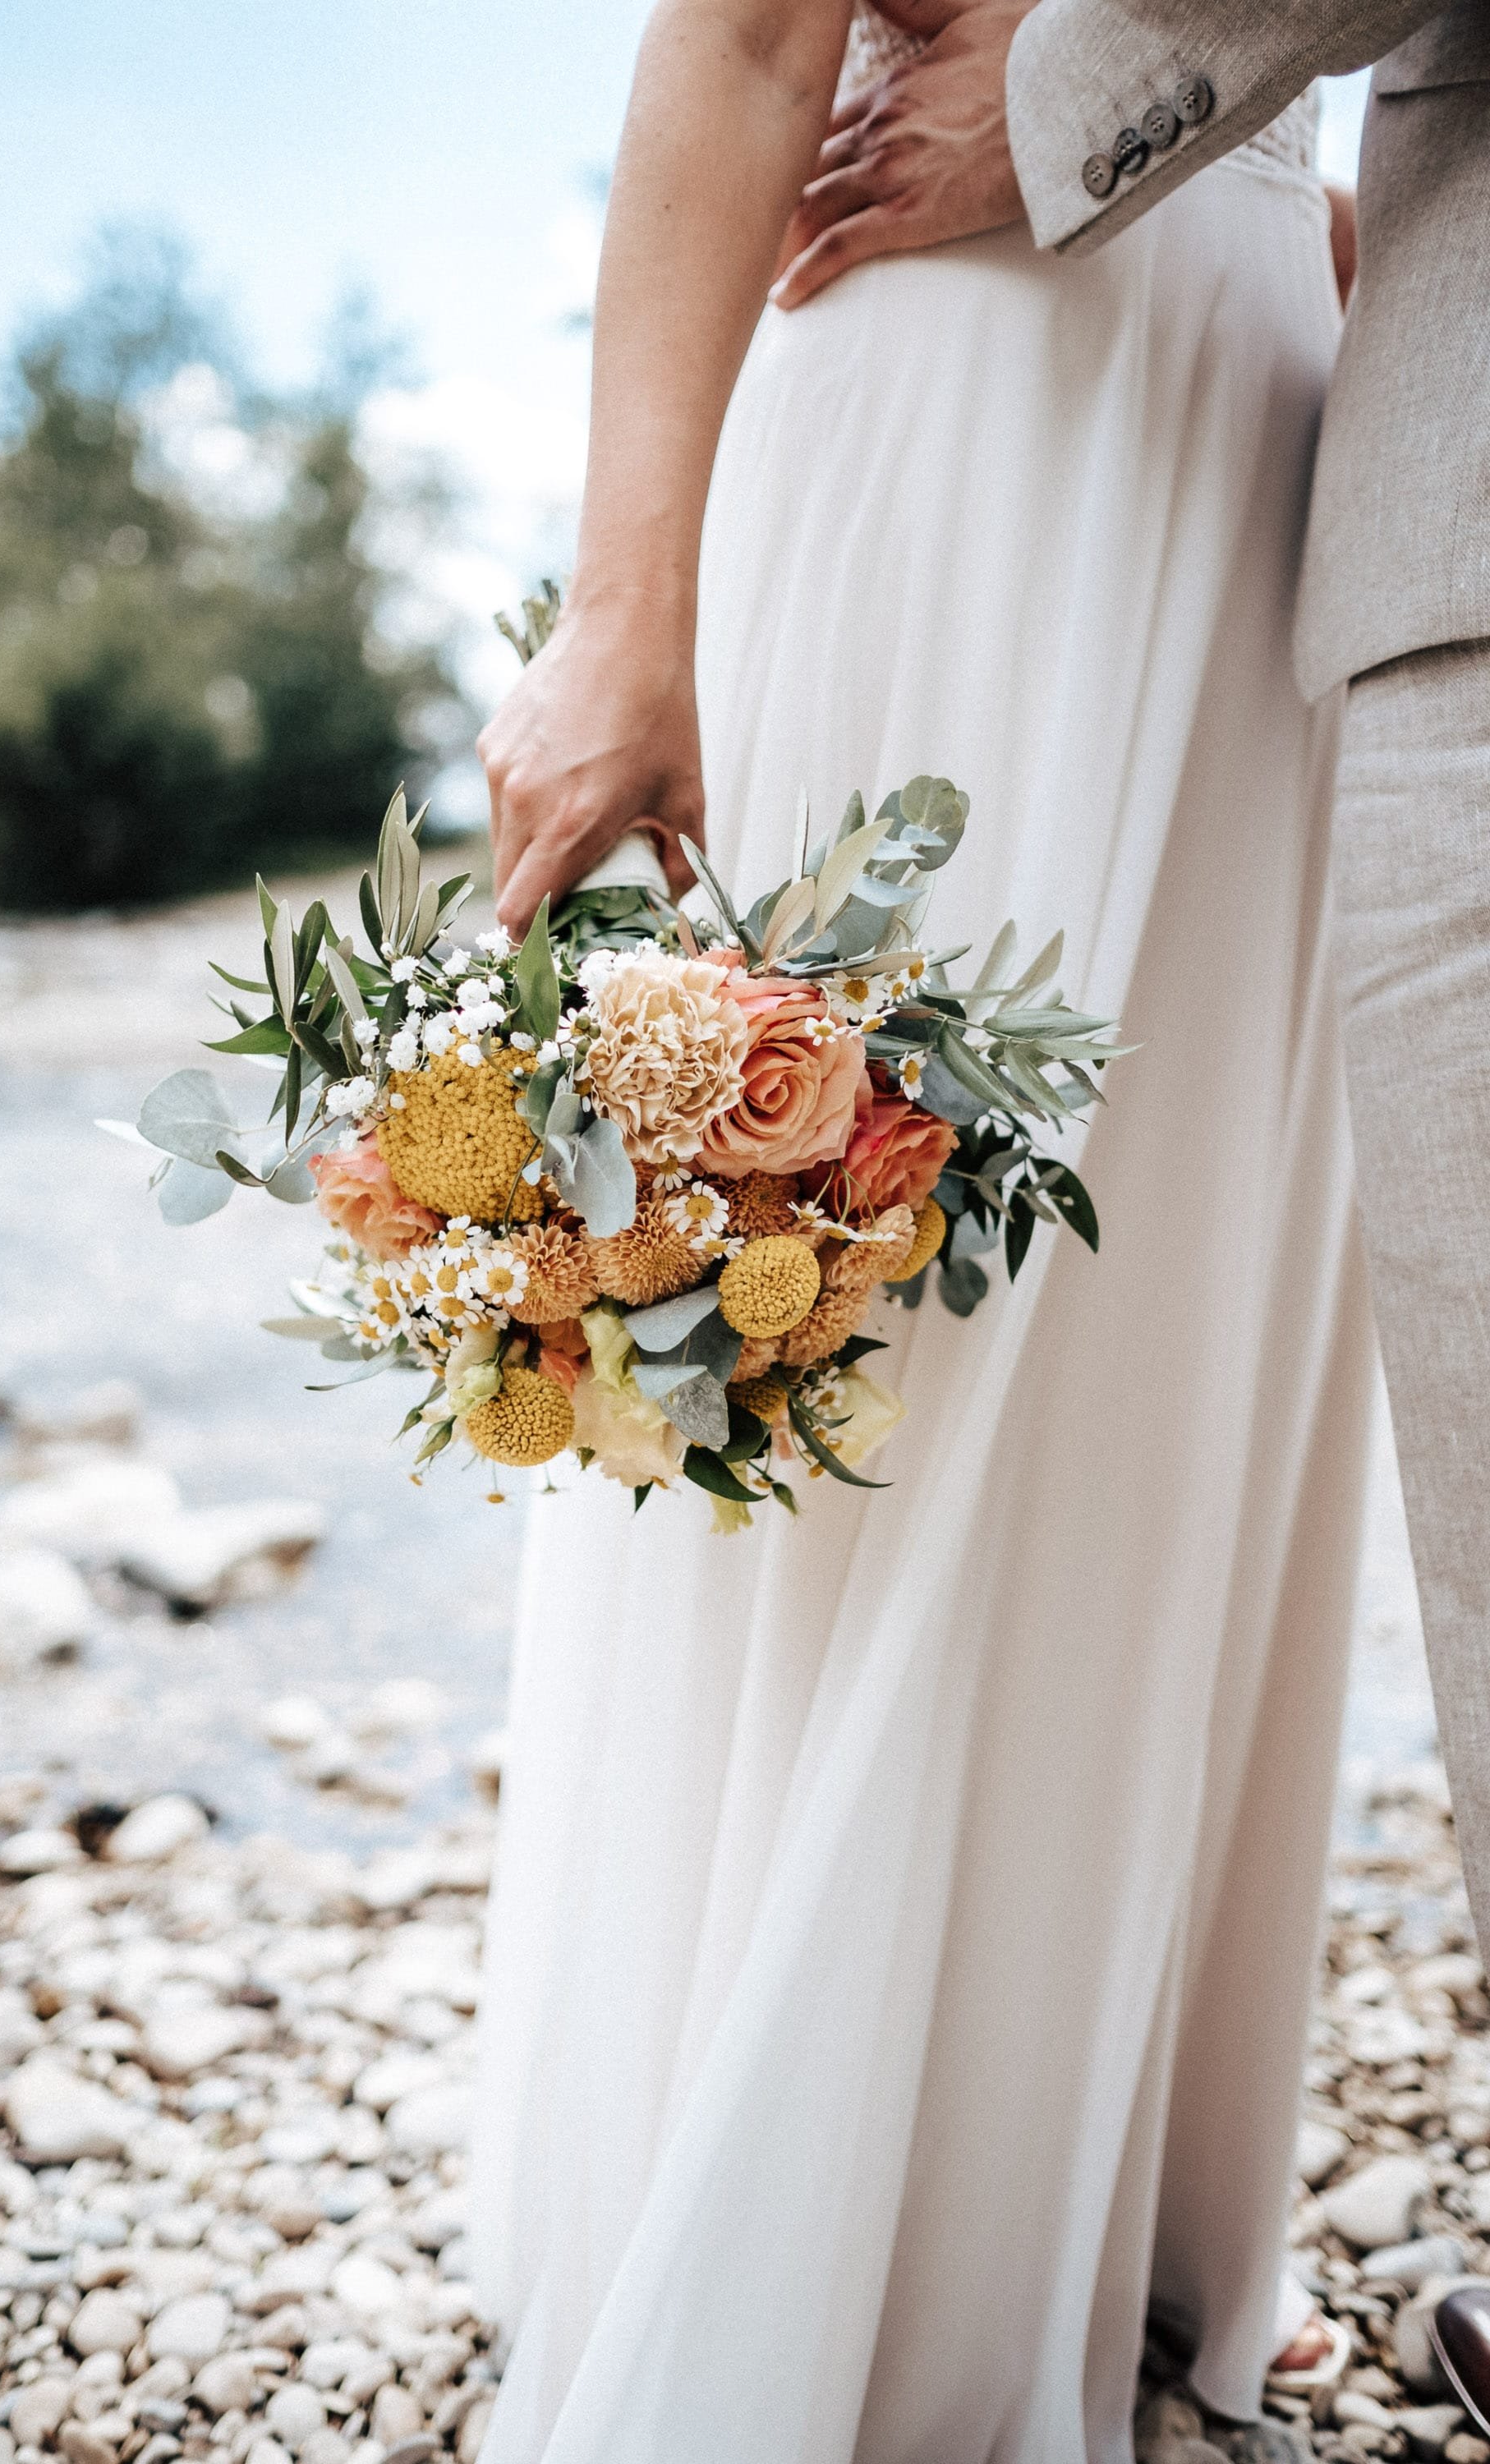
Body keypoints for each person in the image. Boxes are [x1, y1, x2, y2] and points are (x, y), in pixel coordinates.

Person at [471, 0, 1374, 2449]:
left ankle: (1111, 2200)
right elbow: (756, 24)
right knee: (872, 1285)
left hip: (1270, 393)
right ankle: (785, 2193)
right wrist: (619, 605)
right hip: (973, 380)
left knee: (1177, 1302)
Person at [770, 0, 1490, 2423]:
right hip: (1162, 381)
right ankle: (952, 2181)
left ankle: (1111, 2197)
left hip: (1252, 349)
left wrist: (1097, 96)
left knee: (1213, 1363)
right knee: (976, 1290)